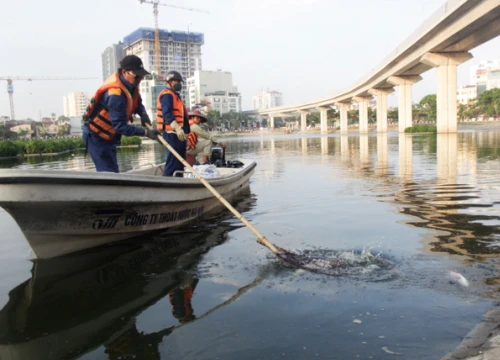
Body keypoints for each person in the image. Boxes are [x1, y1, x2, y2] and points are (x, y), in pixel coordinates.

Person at [83, 55, 160, 172]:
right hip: (96, 136)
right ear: (125, 72)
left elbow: (137, 102)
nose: (140, 79)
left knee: (113, 170)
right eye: (137, 76)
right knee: (108, 173)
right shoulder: (115, 95)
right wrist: (145, 132)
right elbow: (119, 126)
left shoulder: (131, 86)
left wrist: (143, 114)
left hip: (109, 137)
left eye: (141, 76)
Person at [156, 71, 190, 176]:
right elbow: (167, 113)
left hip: (179, 134)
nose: (179, 83)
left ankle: (178, 180)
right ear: (170, 81)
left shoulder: (176, 96)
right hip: (172, 132)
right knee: (173, 160)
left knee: (180, 161)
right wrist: (176, 127)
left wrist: (186, 132)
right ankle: (167, 181)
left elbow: (183, 117)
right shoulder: (167, 95)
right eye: (177, 81)